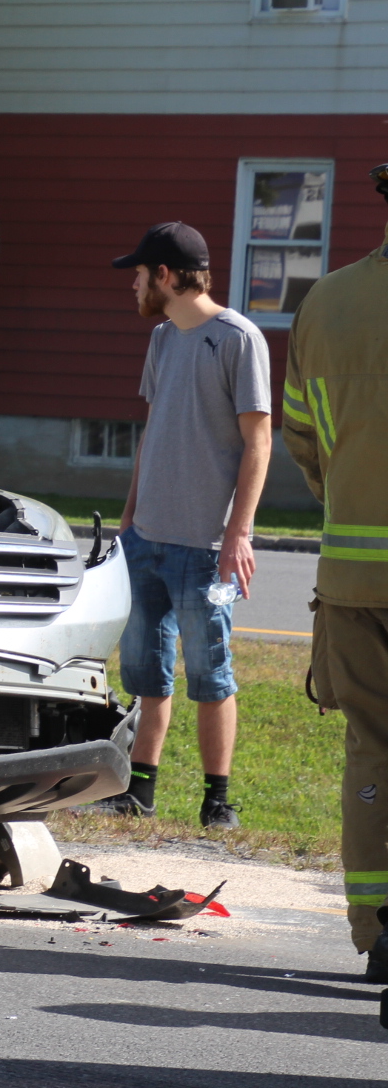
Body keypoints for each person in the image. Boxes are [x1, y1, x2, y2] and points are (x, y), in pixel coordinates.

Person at [91, 222, 270, 828]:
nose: (134, 284)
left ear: (166, 276)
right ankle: (140, 789)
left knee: (212, 670)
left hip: (210, 550)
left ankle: (217, 800)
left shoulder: (238, 337)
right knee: (146, 669)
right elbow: (153, 434)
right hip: (145, 543)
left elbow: (258, 441)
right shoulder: (163, 339)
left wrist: (238, 535)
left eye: (140, 274)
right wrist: (126, 525)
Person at [284, 163, 388, 981]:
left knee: (372, 747)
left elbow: (305, 440)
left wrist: (346, 492)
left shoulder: (325, 303)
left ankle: (377, 930)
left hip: (353, 582)